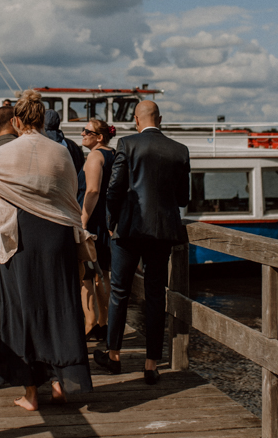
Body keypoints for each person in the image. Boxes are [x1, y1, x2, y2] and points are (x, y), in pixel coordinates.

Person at [0, 89, 92, 411]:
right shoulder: (61, 153)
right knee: (59, 307)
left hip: (21, 237)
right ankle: (60, 384)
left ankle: (31, 393)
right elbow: (71, 195)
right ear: (43, 120)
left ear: (16, 121)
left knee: (22, 309)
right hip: (58, 236)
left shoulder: (2, 154)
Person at [94, 100, 190, 385]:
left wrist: (113, 221)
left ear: (136, 119)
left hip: (128, 230)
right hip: (162, 232)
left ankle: (113, 356)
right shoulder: (179, 150)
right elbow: (183, 198)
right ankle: (151, 364)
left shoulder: (127, 144)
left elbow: (114, 189)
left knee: (119, 293)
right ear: (159, 119)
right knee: (156, 295)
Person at [77, 119, 116, 343]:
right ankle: (104, 323)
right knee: (105, 275)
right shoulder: (114, 155)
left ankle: (91, 323)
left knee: (88, 275)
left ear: (99, 137)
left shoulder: (95, 156)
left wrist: (82, 220)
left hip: (92, 222)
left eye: (87, 131)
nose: (82, 134)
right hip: (105, 220)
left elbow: (92, 190)